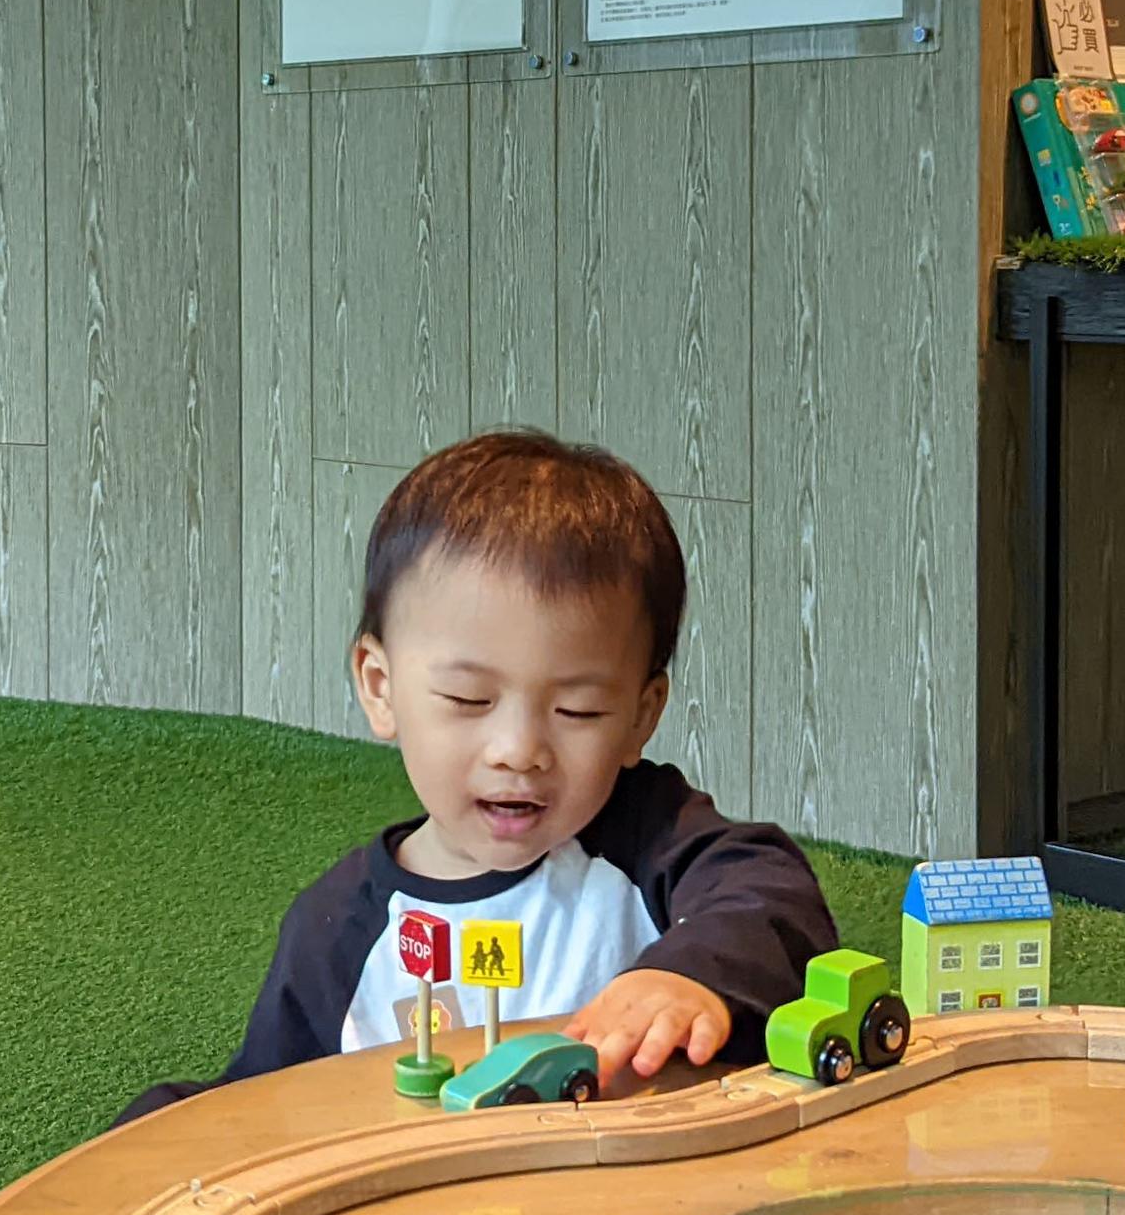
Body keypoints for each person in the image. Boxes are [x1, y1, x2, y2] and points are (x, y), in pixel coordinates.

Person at [120, 431, 839, 1124]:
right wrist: (161, 1131)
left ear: (641, 716)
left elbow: (772, 895)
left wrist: (687, 975)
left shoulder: (643, 835)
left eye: (577, 709)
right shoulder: (339, 931)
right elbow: (262, 1105)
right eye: (469, 700)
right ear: (380, 685)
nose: (518, 749)